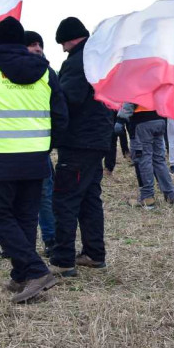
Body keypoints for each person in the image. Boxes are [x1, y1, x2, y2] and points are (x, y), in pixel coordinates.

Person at [0, 17, 68, 303]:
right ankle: (21, 276)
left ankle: (34, 271)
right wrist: (45, 145)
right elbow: (60, 115)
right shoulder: (46, 70)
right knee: (25, 217)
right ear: (21, 41)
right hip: (35, 156)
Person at [50, 16, 114, 276]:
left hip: (78, 142)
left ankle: (63, 260)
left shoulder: (78, 61)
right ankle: (93, 253)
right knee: (89, 198)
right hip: (97, 140)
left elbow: (69, 99)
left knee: (65, 198)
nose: (63, 50)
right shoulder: (98, 59)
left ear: (69, 39)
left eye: (63, 45)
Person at [25, 30, 56, 255]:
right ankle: (19, 243)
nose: (38, 48)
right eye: (32, 44)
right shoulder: (2, 74)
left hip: (40, 148)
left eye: (40, 44)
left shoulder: (48, 72)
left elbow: (58, 108)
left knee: (45, 195)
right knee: (19, 199)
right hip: (9, 149)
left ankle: (51, 239)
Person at [127, 102, 174, 208]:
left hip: (142, 122)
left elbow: (130, 100)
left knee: (144, 160)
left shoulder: (136, 84)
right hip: (159, 118)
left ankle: (147, 197)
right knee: (159, 159)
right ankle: (170, 194)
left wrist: (120, 120)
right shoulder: (157, 83)